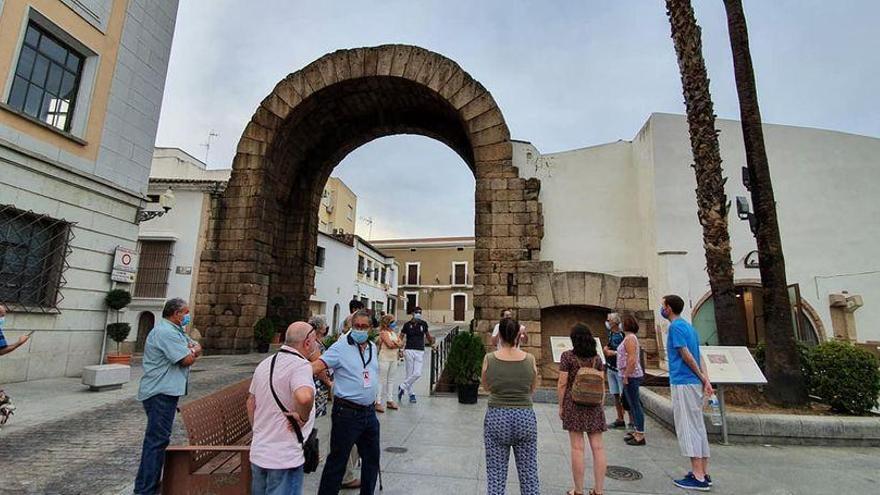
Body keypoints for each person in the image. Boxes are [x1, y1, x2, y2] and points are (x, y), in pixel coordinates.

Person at [134, 298, 202, 495]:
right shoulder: (165, 332)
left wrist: (192, 350)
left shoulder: (175, 331)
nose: (188, 316)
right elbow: (186, 359)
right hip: (160, 393)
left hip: (167, 392)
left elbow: (196, 347)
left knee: (158, 440)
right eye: (186, 313)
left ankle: (147, 487)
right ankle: (145, 490)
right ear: (176, 313)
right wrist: (191, 352)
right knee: (156, 442)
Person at [312, 309, 381, 495]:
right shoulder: (340, 347)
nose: (359, 330)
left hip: (369, 413)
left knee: (372, 459)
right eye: (356, 326)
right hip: (347, 414)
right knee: (337, 462)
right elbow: (316, 366)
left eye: (364, 327)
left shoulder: (373, 348)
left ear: (371, 328)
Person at [247, 321, 317, 495]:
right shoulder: (300, 366)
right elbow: (304, 396)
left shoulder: (265, 364)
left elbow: (250, 402)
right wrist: (303, 417)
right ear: (307, 342)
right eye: (315, 340)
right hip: (285, 456)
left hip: (260, 452)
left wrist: (259, 431)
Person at [481, 317, 540, 495]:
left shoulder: (490, 358)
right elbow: (532, 388)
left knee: (496, 476)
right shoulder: (530, 359)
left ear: (499, 336)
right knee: (529, 474)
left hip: (497, 416)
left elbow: (486, 386)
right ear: (518, 335)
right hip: (524, 417)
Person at [662, 295, 714, 492]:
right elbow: (698, 354)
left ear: (668, 308)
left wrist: (702, 378)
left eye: (663, 305)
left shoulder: (675, 328)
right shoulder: (689, 327)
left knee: (688, 427)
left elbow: (686, 354)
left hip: (683, 381)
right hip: (693, 382)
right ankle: (703, 472)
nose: (662, 308)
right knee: (697, 426)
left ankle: (698, 476)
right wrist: (705, 379)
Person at [557, 323, 607, 495]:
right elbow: (602, 384)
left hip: (574, 404)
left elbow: (562, 383)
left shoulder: (567, 357)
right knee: (598, 448)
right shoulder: (597, 359)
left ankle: (578, 490)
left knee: (577, 448)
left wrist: (561, 406)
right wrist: (600, 404)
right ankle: (598, 491)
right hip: (594, 405)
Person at [618, 315, 645, 446]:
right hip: (629, 374)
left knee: (635, 405)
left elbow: (632, 358)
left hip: (631, 376)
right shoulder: (629, 338)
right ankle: (636, 431)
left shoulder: (629, 338)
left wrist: (626, 375)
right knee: (631, 403)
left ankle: (640, 433)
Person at [397, 307, 434, 404]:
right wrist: (400, 349)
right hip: (409, 350)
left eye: (420, 312)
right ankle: (411, 394)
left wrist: (432, 344)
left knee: (417, 373)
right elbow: (401, 336)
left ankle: (402, 386)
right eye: (417, 312)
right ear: (412, 313)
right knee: (409, 373)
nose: (419, 314)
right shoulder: (407, 325)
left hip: (420, 350)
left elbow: (428, 335)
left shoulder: (423, 324)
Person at [602, 313, 629, 429]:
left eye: (608, 320)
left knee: (625, 396)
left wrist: (611, 352)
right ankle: (620, 418)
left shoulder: (622, 335)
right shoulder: (611, 333)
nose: (607, 322)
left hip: (620, 369)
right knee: (615, 395)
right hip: (611, 366)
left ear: (614, 322)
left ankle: (631, 420)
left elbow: (626, 352)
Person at [308, 315, 334, 418]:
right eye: (325, 324)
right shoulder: (314, 344)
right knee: (312, 414)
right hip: (317, 382)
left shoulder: (317, 341)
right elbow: (319, 366)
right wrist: (328, 382)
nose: (326, 326)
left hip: (320, 383)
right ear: (320, 328)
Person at [376, 314, 401, 412]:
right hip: (384, 358)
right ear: (387, 323)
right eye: (392, 322)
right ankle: (377, 401)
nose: (394, 323)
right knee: (381, 380)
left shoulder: (393, 333)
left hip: (393, 358)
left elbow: (401, 342)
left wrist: (396, 344)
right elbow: (389, 344)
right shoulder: (383, 332)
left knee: (391, 379)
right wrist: (397, 344)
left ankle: (389, 400)